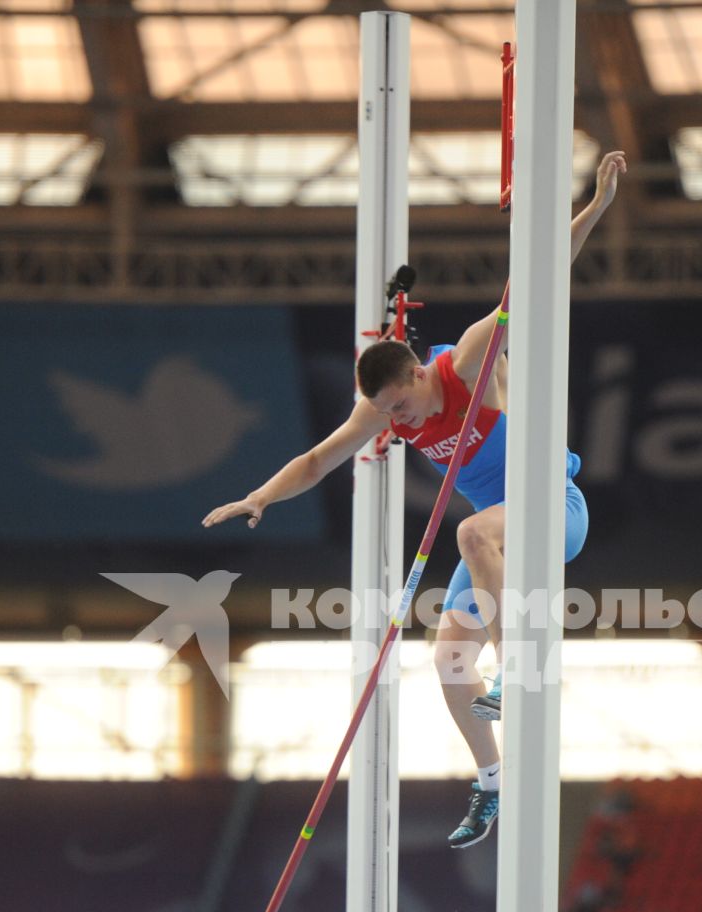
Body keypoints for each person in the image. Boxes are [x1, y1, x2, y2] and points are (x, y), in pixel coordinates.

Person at [205, 149, 628, 847]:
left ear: (415, 373)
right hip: (497, 533)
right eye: (388, 415)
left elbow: (541, 278)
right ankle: (492, 782)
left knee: (469, 536)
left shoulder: (470, 359)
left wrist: (598, 206)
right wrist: (260, 496)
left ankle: (516, 664)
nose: (397, 425)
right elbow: (317, 459)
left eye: (401, 408)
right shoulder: (382, 409)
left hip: (552, 511)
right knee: (445, 658)